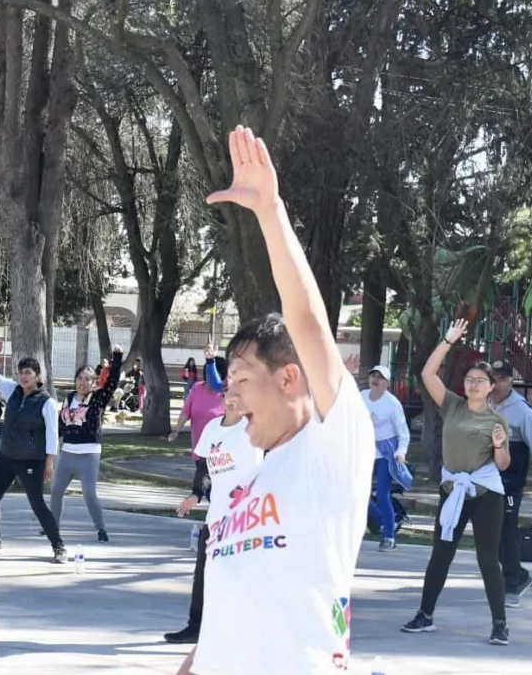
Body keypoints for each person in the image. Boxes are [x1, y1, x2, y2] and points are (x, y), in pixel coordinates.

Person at [177, 126, 374, 675]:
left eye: (240, 380)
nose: (230, 398)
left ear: (289, 378)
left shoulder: (331, 449)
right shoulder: (251, 480)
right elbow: (237, 606)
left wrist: (269, 211)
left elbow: (306, 320)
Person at [400, 319, 511, 646]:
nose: (474, 384)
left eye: (481, 380)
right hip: (453, 490)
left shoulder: (496, 419)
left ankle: (500, 623)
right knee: (441, 553)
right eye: (470, 379)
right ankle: (425, 615)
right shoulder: (452, 405)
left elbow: (502, 465)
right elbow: (427, 374)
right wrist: (447, 341)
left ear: (491, 387)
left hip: (486, 492)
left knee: (488, 559)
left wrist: (501, 444)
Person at [166, 394, 261, 645]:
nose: (234, 399)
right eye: (230, 392)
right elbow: (204, 470)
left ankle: (245, 631)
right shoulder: (211, 428)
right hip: (216, 515)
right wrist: (195, 495)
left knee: (241, 574)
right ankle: (195, 626)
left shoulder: (253, 429)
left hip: (244, 518)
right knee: (203, 573)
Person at [0, 340, 66, 563]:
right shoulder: (12, 391)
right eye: (20, 373)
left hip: (32, 461)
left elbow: (53, 434)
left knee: (37, 505)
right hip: (7, 457)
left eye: (28, 373)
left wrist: (49, 462)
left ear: (37, 376)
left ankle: (58, 546)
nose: (23, 377)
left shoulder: (46, 403)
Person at [488, 360, 532, 606]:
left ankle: (512, 585)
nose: (497, 384)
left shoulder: (522, 411)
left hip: (510, 482)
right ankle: (520, 574)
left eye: (502, 379)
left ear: (510, 381)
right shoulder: (480, 405)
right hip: (485, 480)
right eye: (493, 378)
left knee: (506, 531)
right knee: (489, 534)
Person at [50, 345, 123, 543]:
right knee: (56, 491)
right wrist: (51, 447)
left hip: (89, 455)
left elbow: (113, 381)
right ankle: (52, 526)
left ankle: (101, 529)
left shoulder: (98, 398)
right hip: (67, 454)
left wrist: (117, 358)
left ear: (94, 382)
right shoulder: (69, 398)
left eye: (88, 379)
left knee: (89, 494)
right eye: (80, 378)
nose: (83, 382)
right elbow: (60, 424)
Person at [361, 364, 412, 551]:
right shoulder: (362, 397)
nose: (375, 379)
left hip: (385, 453)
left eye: (380, 377)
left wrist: (401, 452)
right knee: (359, 492)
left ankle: (389, 537)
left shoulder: (392, 404)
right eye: (373, 375)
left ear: (387, 383)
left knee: (382, 494)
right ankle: (381, 523)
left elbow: (403, 432)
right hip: (365, 451)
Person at [169, 344, 227, 448]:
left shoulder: (226, 393)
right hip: (198, 448)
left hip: (220, 452)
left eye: (215, 373)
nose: (211, 377)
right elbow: (185, 412)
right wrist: (176, 431)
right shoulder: (197, 388)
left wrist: (210, 360)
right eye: (210, 372)